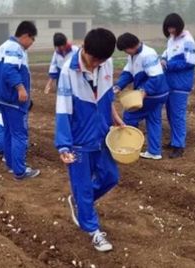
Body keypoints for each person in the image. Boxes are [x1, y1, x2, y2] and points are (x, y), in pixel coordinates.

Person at [55, 28, 124, 252]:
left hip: (102, 134)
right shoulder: (68, 71)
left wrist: (114, 117)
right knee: (83, 188)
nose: (95, 64)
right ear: (84, 47)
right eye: (93, 59)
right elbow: (63, 109)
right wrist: (64, 144)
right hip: (78, 140)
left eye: (101, 61)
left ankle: (81, 204)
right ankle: (93, 230)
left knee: (111, 176)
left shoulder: (107, 64)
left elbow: (107, 97)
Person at [0, 21, 40, 180]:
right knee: (19, 134)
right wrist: (20, 88)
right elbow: (9, 70)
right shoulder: (16, 48)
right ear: (26, 36)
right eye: (32, 39)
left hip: (1, 97)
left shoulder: (1, 47)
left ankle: (11, 165)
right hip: (13, 99)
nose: (31, 44)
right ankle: (20, 171)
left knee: (9, 131)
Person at [114, 33, 169, 160]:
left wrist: (142, 93)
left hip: (152, 95)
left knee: (129, 116)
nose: (125, 53)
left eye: (125, 50)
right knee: (153, 120)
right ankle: (154, 152)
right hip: (160, 94)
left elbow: (156, 78)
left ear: (131, 46)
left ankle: (128, 147)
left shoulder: (147, 55)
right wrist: (118, 86)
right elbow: (128, 72)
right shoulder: (134, 55)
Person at [161, 13, 195, 158]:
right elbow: (166, 53)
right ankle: (174, 141)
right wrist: (163, 59)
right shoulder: (172, 39)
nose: (170, 31)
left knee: (178, 116)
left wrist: (169, 65)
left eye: (173, 28)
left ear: (179, 26)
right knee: (170, 114)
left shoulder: (187, 40)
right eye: (168, 28)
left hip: (180, 84)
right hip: (170, 82)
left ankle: (179, 146)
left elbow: (190, 62)